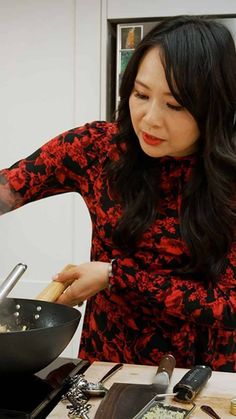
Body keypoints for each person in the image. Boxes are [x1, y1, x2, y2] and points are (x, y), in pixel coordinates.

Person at [0, 15, 235, 372]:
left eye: (175, 105)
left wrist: (115, 276)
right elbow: (10, 187)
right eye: (141, 95)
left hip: (203, 376)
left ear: (214, 107)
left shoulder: (228, 180)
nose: (150, 119)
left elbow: (227, 304)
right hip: (105, 367)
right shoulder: (97, 148)